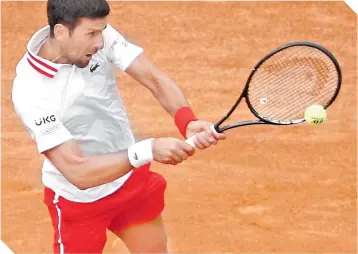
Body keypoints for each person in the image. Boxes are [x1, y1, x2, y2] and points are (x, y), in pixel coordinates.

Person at [11, 0, 226, 253]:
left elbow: (153, 78)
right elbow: (78, 172)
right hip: (78, 203)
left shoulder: (95, 39)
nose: (100, 42)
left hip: (129, 183)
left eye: (101, 31)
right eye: (91, 34)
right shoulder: (31, 91)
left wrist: (187, 121)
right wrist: (148, 150)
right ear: (60, 32)